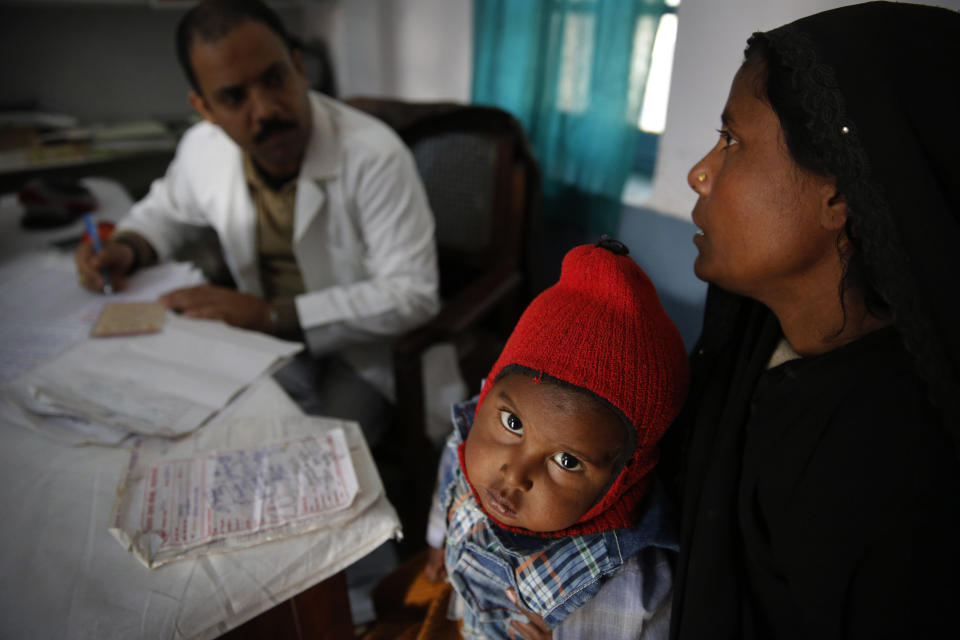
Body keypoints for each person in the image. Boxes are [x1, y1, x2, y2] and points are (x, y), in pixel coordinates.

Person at [665, 3, 960, 639]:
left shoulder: (888, 472)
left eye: (734, 141)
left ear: (839, 194)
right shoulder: (757, 338)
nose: (701, 171)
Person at [73, 0, 439, 444]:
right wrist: (127, 247)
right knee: (194, 433)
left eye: (275, 78)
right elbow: (166, 212)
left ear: (300, 67)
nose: (265, 109)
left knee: (313, 454)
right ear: (204, 107)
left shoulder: (374, 155)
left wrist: (270, 313)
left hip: (360, 354)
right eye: (233, 97)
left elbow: (412, 293)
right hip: (264, 344)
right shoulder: (203, 149)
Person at [365, 238, 690, 639]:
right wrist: (439, 542)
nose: (515, 473)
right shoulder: (469, 443)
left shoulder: (628, 582)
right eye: (513, 424)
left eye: (567, 462)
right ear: (487, 398)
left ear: (621, 481)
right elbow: (449, 489)